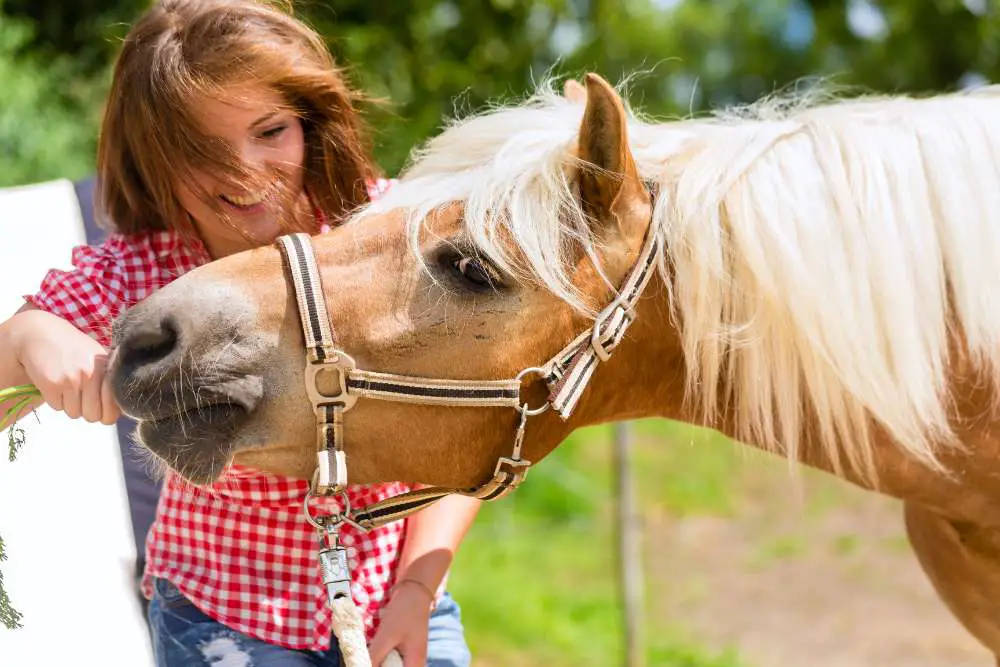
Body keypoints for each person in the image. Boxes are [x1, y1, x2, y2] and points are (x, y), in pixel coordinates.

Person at [0, 2, 480, 666]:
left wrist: (418, 590)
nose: (245, 170)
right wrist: (32, 336)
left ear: (311, 122)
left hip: (399, 601)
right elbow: (12, 348)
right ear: (156, 156)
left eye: (270, 131)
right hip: (222, 619)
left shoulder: (387, 234)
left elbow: (467, 433)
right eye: (202, 150)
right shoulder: (148, 268)